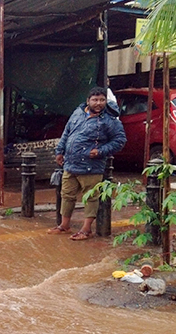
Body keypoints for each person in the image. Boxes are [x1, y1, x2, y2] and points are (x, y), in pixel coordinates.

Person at [48, 86, 126, 240]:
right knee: (67, 195)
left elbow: (120, 140)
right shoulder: (78, 113)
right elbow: (67, 132)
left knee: (91, 198)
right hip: (70, 163)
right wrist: (59, 151)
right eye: (95, 100)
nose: (98, 103)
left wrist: (101, 151)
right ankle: (64, 225)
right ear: (88, 101)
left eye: (102, 100)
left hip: (92, 166)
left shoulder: (109, 121)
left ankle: (86, 229)